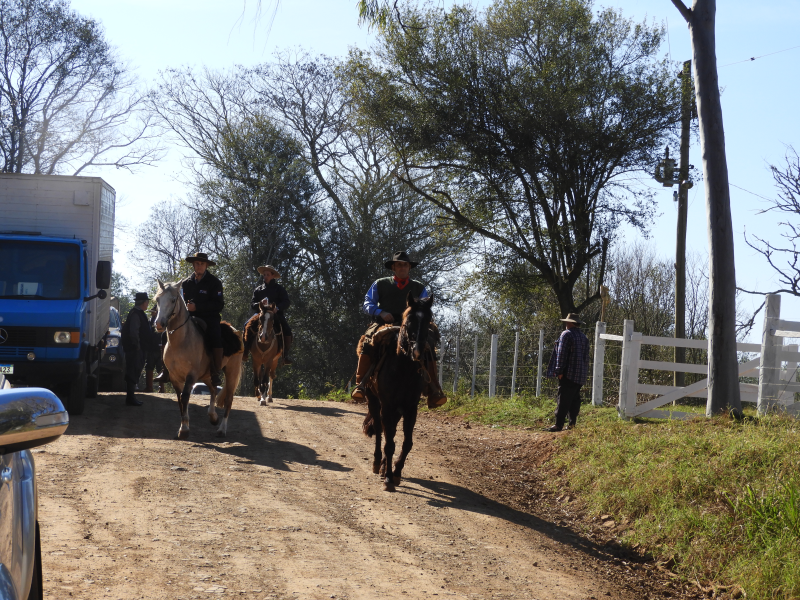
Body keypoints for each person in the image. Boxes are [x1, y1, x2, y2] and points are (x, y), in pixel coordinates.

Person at [351, 251, 447, 408]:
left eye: (405, 265)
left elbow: (423, 307)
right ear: (393, 268)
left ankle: (434, 389)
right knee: (368, 341)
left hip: (411, 325)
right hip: (384, 323)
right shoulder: (380, 284)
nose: (402, 267)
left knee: (428, 344)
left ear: (409, 267)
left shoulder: (419, 287)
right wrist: (380, 312)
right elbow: (367, 304)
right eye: (399, 265)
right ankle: (361, 384)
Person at [182, 252, 225, 386]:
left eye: (201, 264)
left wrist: (197, 307)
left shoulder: (215, 282)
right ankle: (166, 369)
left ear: (206, 265)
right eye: (197, 263)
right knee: (168, 333)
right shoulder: (185, 283)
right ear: (193, 265)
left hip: (209, 318)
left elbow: (219, 304)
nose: (199, 266)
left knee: (215, 336)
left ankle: (215, 371)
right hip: (188, 318)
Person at [545, 313, 590, 431]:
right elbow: (586, 357)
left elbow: (561, 354)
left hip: (568, 373)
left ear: (569, 323)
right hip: (580, 374)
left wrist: (559, 370)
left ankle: (558, 424)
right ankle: (572, 424)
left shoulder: (566, 335)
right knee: (575, 399)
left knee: (563, 398)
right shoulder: (584, 337)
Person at [248, 265, 293, 365]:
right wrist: (260, 303)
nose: (265, 276)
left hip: (276, 315)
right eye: (264, 275)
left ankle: (285, 355)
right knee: (247, 325)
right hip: (261, 314)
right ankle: (245, 351)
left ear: (273, 276)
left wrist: (277, 308)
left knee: (287, 329)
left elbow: (286, 301)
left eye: (268, 275)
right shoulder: (258, 290)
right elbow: (252, 304)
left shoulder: (279, 289)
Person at [120, 292, 152, 406]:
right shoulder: (136, 314)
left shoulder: (138, 313)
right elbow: (134, 332)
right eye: (147, 302)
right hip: (135, 349)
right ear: (144, 303)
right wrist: (137, 346)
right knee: (133, 371)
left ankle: (131, 397)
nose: (148, 304)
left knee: (135, 371)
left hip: (138, 348)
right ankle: (130, 398)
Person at [144, 306, 164, 393]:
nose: (152, 313)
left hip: (153, 348)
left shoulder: (152, 321)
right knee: (159, 368)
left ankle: (150, 387)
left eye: (153, 312)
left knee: (151, 367)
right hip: (158, 347)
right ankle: (160, 388)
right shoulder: (162, 321)